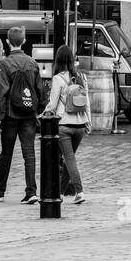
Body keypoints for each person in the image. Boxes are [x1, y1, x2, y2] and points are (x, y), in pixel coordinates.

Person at [0, 26, 47, 203]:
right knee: (29, 153)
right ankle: (31, 191)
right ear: (24, 41)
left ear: (7, 42)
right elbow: (40, 90)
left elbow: (2, 92)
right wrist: (39, 110)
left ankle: (0, 189)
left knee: (6, 153)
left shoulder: (5, 64)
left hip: (10, 116)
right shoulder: (32, 63)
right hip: (29, 114)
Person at [42, 45, 91, 204]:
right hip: (80, 125)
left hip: (64, 125)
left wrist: (44, 113)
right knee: (70, 158)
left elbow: (53, 103)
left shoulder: (58, 79)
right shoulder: (81, 77)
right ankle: (61, 193)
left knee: (69, 159)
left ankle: (79, 191)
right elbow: (87, 102)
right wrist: (88, 121)